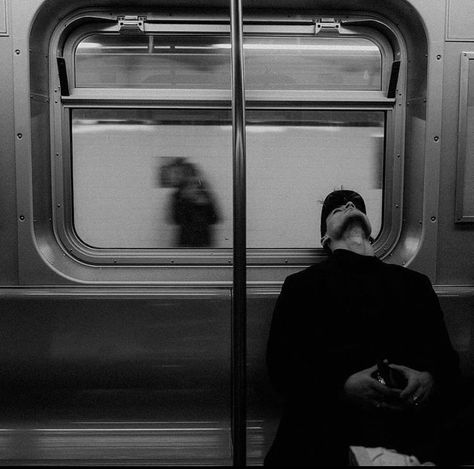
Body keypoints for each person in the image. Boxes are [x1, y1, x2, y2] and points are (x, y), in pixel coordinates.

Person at [265, 189, 474, 466]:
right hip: (329, 423)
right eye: (337, 209)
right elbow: (281, 367)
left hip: (404, 426)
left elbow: (446, 363)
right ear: (324, 238)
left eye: (355, 206)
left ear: (371, 232)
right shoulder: (302, 287)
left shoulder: (415, 285)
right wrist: (342, 387)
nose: (349, 205)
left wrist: (428, 379)